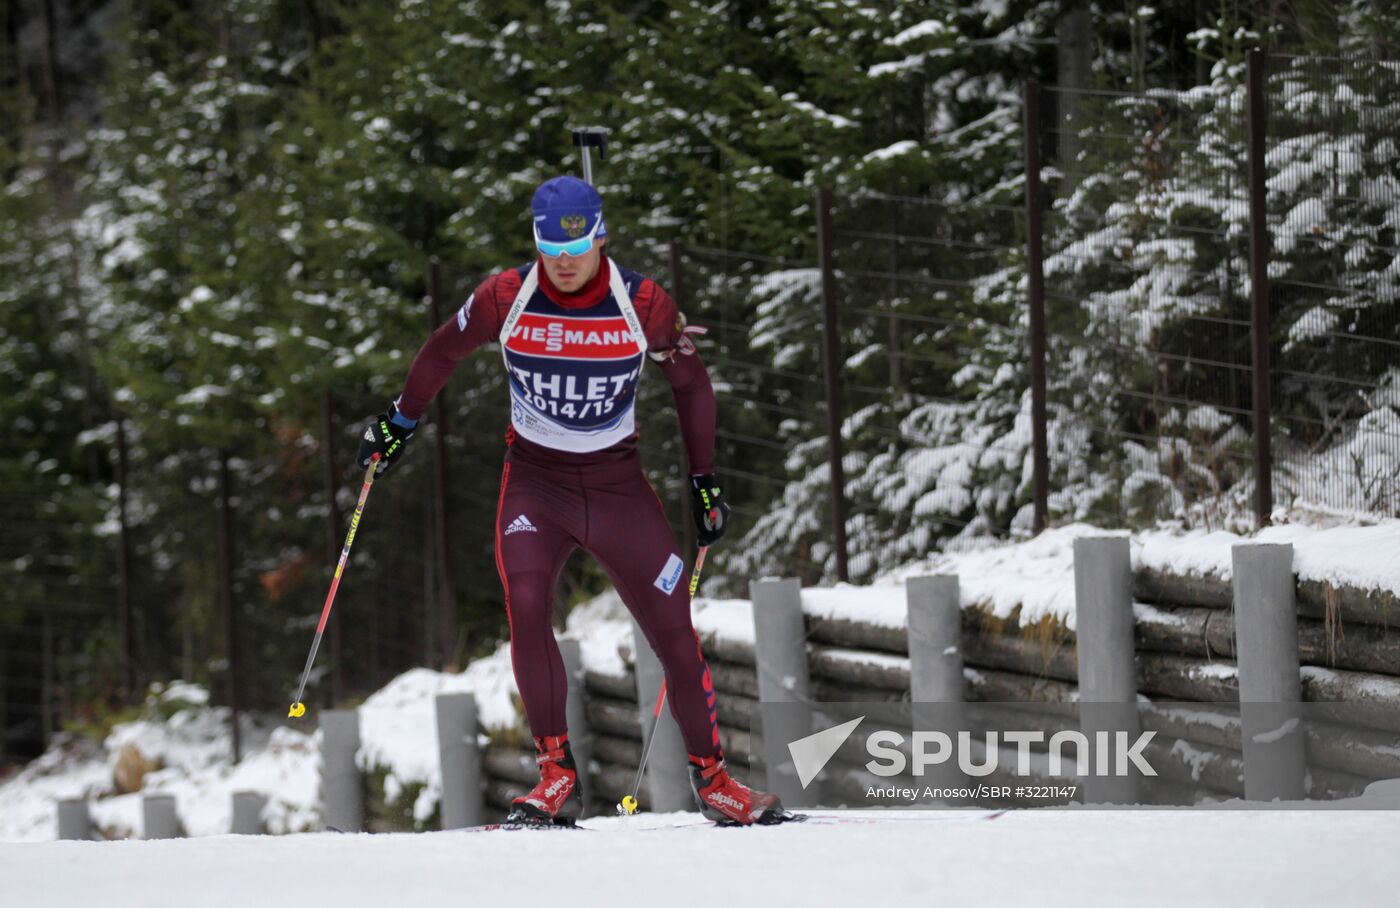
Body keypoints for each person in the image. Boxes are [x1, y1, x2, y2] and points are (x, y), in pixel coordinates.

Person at [357, 176, 784, 826]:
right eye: (549, 244)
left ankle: (717, 783)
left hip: (618, 490)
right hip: (536, 484)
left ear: (600, 235)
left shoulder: (642, 302)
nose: (562, 259)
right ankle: (555, 777)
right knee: (527, 607)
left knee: (674, 629)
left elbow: (692, 385)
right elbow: (443, 350)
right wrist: (400, 422)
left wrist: (704, 479)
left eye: (577, 243)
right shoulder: (507, 295)